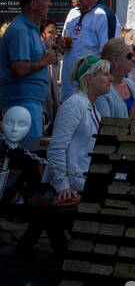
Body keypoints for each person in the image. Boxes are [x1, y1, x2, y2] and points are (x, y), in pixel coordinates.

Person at [46, 55, 112, 202]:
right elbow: (57, 148)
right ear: (89, 79)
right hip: (75, 186)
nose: (111, 79)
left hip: (84, 181)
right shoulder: (74, 104)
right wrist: (62, 185)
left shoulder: (89, 105)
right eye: (106, 74)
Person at [0, 0, 55, 137]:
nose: (50, 4)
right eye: (46, 0)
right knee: (27, 153)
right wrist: (45, 60)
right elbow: (20, 69)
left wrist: (51, 47)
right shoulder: (20, 30)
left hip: (28, 102)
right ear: (33, 4)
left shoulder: (28, 28)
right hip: (22, 104)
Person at [60, 0, 118, 100]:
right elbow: (68, 45)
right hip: (67, 91)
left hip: (89, 94)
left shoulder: (104, 16)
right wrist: (60, 44)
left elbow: (108, 57)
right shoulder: (72, 13)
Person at [95, 37, 135, 116]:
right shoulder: (102, 91)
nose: (134, 59)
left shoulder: (132, 85)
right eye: (129, 56)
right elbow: (105, 125)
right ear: (115, 60)